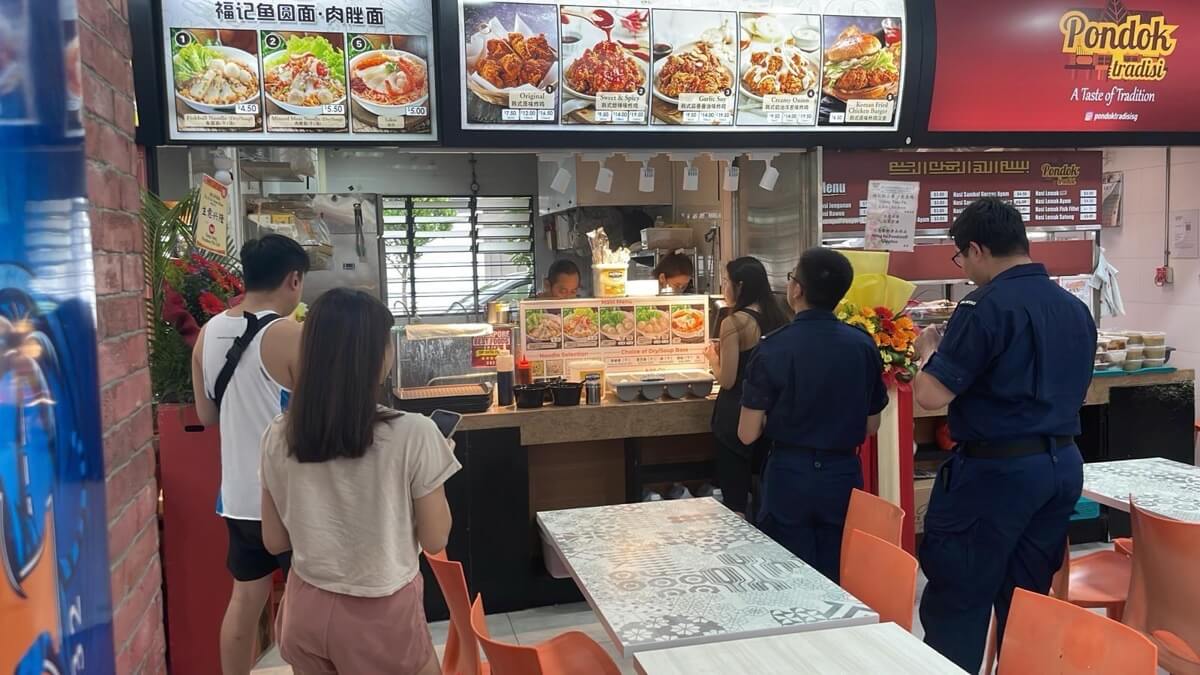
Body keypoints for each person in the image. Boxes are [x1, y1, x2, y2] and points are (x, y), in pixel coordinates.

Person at [913, 197, 1096, 672]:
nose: (965, 268)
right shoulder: (1073, 307)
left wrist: (927, 351)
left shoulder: (982, 305)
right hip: (1060, 466)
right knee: (1027, 600)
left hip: (996, 472)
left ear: (975, 249)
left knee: (959, 597)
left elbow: (932, 395)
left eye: (961, 257)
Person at [261, 288, 458, 675]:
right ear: (378, 355)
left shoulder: (278, 433)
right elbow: (436, 539)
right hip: (380, 613)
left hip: (305, 608)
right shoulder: (414, 433)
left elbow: (274, 540)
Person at [191, 234, 309, 675]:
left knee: (245, 600)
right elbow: (318, 416)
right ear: (293, 280)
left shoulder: (207, 334)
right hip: (290, 498)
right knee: (306, 604)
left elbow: (206, 415)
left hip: (239, 497)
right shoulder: (289, 335)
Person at [738, 247, 887, 583]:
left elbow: (747, 433)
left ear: (797, 290)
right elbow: (872, 423)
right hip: (843, 474)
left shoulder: (773, 347)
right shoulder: (862, 345)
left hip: (790, 475)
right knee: (837, 575)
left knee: (788, 577)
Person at [704, 257, 789, 518]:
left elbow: (727, 380)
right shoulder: (780, 317)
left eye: (726, 282)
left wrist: (713, 359)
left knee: (736, 500)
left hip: (736, 417)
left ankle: (739, 554)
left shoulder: (735, 323)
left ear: (739, 286)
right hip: (772, 417)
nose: (724, 287)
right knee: (768, 492)